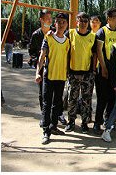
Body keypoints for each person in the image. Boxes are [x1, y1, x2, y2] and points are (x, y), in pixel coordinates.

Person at [36, 13, 70, 144]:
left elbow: (67, 57)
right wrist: (37, 73)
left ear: (66, 24)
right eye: (58, 22)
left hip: (61, 77)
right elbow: (42, 56)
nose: (61, 25)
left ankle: (53, 126)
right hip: (49, 76)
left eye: (63, 22)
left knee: (57, 104)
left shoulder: (67, 41)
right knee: (47, 103)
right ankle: (46, 131)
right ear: (54, 23)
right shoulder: (48, 38)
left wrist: (67, 73)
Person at [66, 12, 98, 133]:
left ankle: (85, 122)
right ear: (76, 22)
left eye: (86, 21)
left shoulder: (92, 36)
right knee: (72, 99)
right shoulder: (70, 34)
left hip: (87, 73)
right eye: (81, 21)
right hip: (73, 73)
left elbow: (95, 54)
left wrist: (93, 70)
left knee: (86, 100)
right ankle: (71, 122)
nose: (83, 23)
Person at [93, 8, 116, 134]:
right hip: (103, 67)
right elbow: (99, 51)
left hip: (115, 69)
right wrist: (103, 68)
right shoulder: (102, 32)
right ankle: (97, 123)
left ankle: (108, 121)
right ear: (109, 19)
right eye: (115, 16)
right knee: (102, 98)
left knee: (113, 97)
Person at [29, 10, 53, 113]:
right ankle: (44, 113)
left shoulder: (55, 33)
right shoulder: (36, 35)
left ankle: (57, 114)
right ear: (41, 20)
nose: (49, 20)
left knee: (55, 92)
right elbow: (32, 52)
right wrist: (37, 62)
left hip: (54, 65)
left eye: (51, 18)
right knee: (43, 91)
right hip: (42, 67)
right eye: (47, 18)